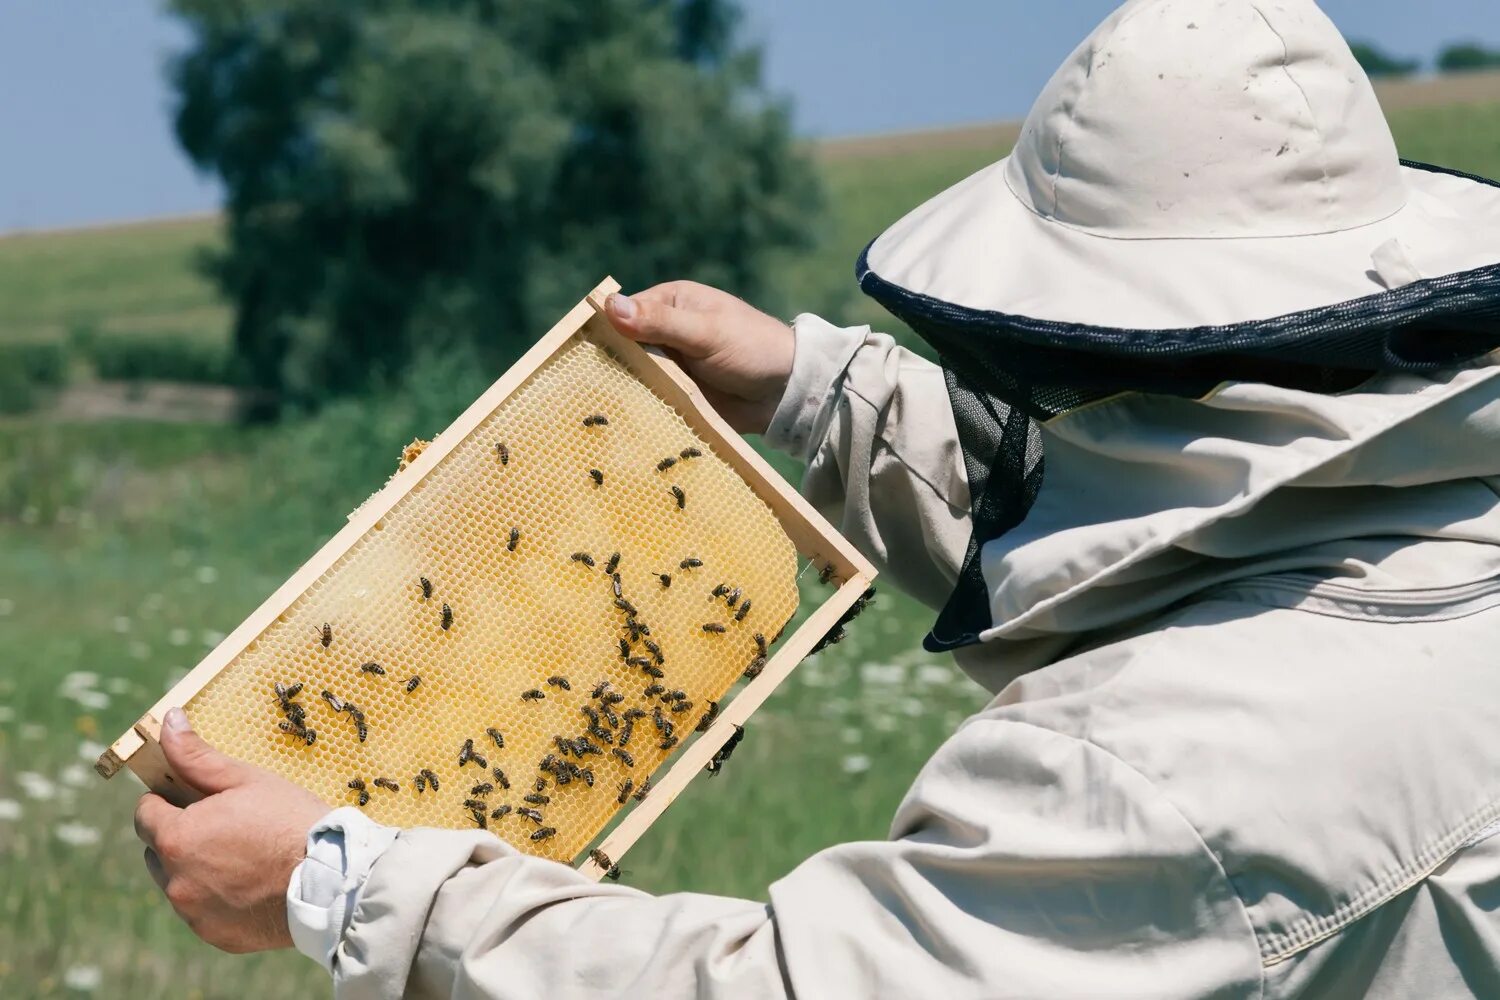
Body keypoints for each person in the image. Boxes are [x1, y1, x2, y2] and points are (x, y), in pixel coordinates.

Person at [133, 1, 1500, 996]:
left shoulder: (1143, 782)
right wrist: (815, 390)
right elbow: (1188, 517)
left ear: (1069, 339)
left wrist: (351, 888)